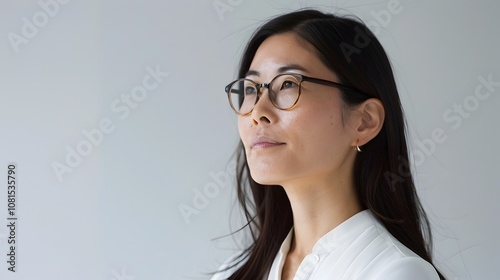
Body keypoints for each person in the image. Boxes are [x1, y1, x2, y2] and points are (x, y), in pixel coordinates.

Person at [211, 9, 445, 280]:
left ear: (364, 122)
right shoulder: (233, 274)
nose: (257, 111)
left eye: (287, 83)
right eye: (251, 89)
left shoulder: (395, 272)